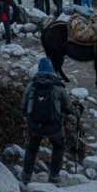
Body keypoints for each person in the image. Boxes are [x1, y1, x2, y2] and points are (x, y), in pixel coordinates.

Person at [20, 57, 80, 185]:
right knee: (59, 146)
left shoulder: (32, 85)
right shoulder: (58, 87)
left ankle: (26, 177)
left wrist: (28, 120)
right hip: (54, 128)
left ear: (39, 69)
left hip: (35, 126)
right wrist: (77, 108)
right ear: (51, 70)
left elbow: (23, 107)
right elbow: (69, 109)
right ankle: (53, 176)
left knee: (31, 148)